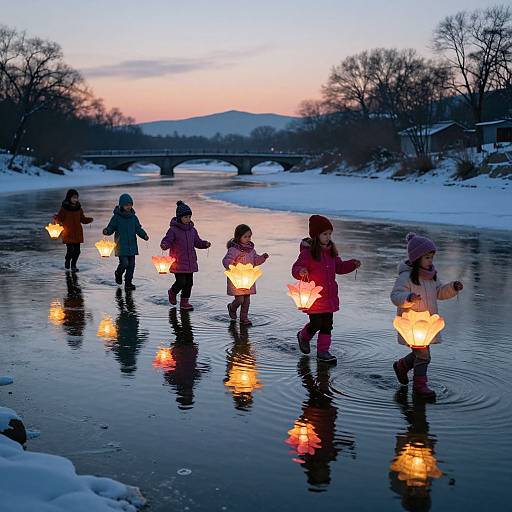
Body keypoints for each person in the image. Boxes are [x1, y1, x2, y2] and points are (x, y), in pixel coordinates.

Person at [391, 232, 463, 399]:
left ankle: (402, 366)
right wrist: (408, 299)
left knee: (420, 353)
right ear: (416, 259)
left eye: (431, 257)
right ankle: (419, 386)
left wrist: (452, 287)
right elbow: (395, 296)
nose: (431, 261)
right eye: (427, 258)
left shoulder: (431, 277)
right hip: (412, 326)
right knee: (424, 355)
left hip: (426, 326)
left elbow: (439, 292)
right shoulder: (406, 277)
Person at [292, 215, 360, 364]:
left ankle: (323, 352)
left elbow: (340, 267)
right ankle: (303, 336)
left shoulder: (331, 253)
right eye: (325, 234)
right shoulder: (308, 253)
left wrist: (352, 264)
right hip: (314, 298)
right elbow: (295, 268)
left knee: (327, 325)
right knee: (316, 323)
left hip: (329, 297)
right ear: (316, 235)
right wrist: (301, 271)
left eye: (329, 234)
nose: (328, 237)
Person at [160, 200, 210, 310]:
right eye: (185, 217)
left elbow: (197, 242)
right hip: (178, 262)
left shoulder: (192, 230)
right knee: (181, 282)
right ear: (179, 217)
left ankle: (184, 302)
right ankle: (172, 292)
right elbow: (167, 239)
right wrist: (164, 245)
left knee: (189, 283)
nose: (188, 219)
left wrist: (204, 244)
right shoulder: (173, 230)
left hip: (190, 261)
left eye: (189, 217)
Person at [222, 224, 269, 326]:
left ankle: (244, 318)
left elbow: (255, 260)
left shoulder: (251, 250)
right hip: (237, 280)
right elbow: (226, 261)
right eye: (245, 236)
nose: (248, 239)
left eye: (249, 236)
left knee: (246, 301)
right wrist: (233, 263)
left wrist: (262, 258)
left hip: (248, 280)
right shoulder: (233, 250)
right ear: (238, 237)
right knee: (239, 299)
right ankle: (232, 307)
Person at [102, 193, 149, 291]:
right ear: (121, 205)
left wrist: (144, 235)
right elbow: (111, 227)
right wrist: (107, 231)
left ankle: (128, 283)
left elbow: (138, 228)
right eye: (126, 205)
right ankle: (118, 273)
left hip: (132, 246)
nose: (129, 207)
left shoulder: (133, 217)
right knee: (124, 263)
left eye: (130, 204)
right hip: (121, 246)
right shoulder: (116, 217)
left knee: (131, 266)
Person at [53, 189, 93, 271]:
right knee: (70, 250)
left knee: (77, 251)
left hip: (77, 233)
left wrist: (89, 220)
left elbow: (82, 219)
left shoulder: (79, 208)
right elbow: (60, 218)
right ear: (69, 198)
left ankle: (73, 265)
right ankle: (67, 260)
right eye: (73, 198)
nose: (75, 199)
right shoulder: (64, 209)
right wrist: (56, 218)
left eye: (76, 198)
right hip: (68, 233)